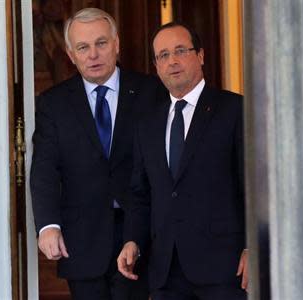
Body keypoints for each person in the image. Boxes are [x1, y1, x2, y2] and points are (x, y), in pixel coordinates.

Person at [30, 7, 156, 300]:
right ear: (71, 55)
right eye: (83, 47)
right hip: (82, 239)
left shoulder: (150, 92)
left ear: (116, 45)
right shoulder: (54, 103)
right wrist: (48, 225)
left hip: (140, 233)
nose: (93, 55)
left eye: (101, 43)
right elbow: (45, 168)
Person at [117, 22, 248, 300]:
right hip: (166, 272)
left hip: (224, 269)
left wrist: (253, 248)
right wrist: (133, 242)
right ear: (156, 66)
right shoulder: (147, 124)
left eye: (180, 51)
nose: (172, 61)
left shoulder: (235, 110)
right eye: (163, 55)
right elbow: (141, 194)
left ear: (200, 55)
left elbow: (255, 186)